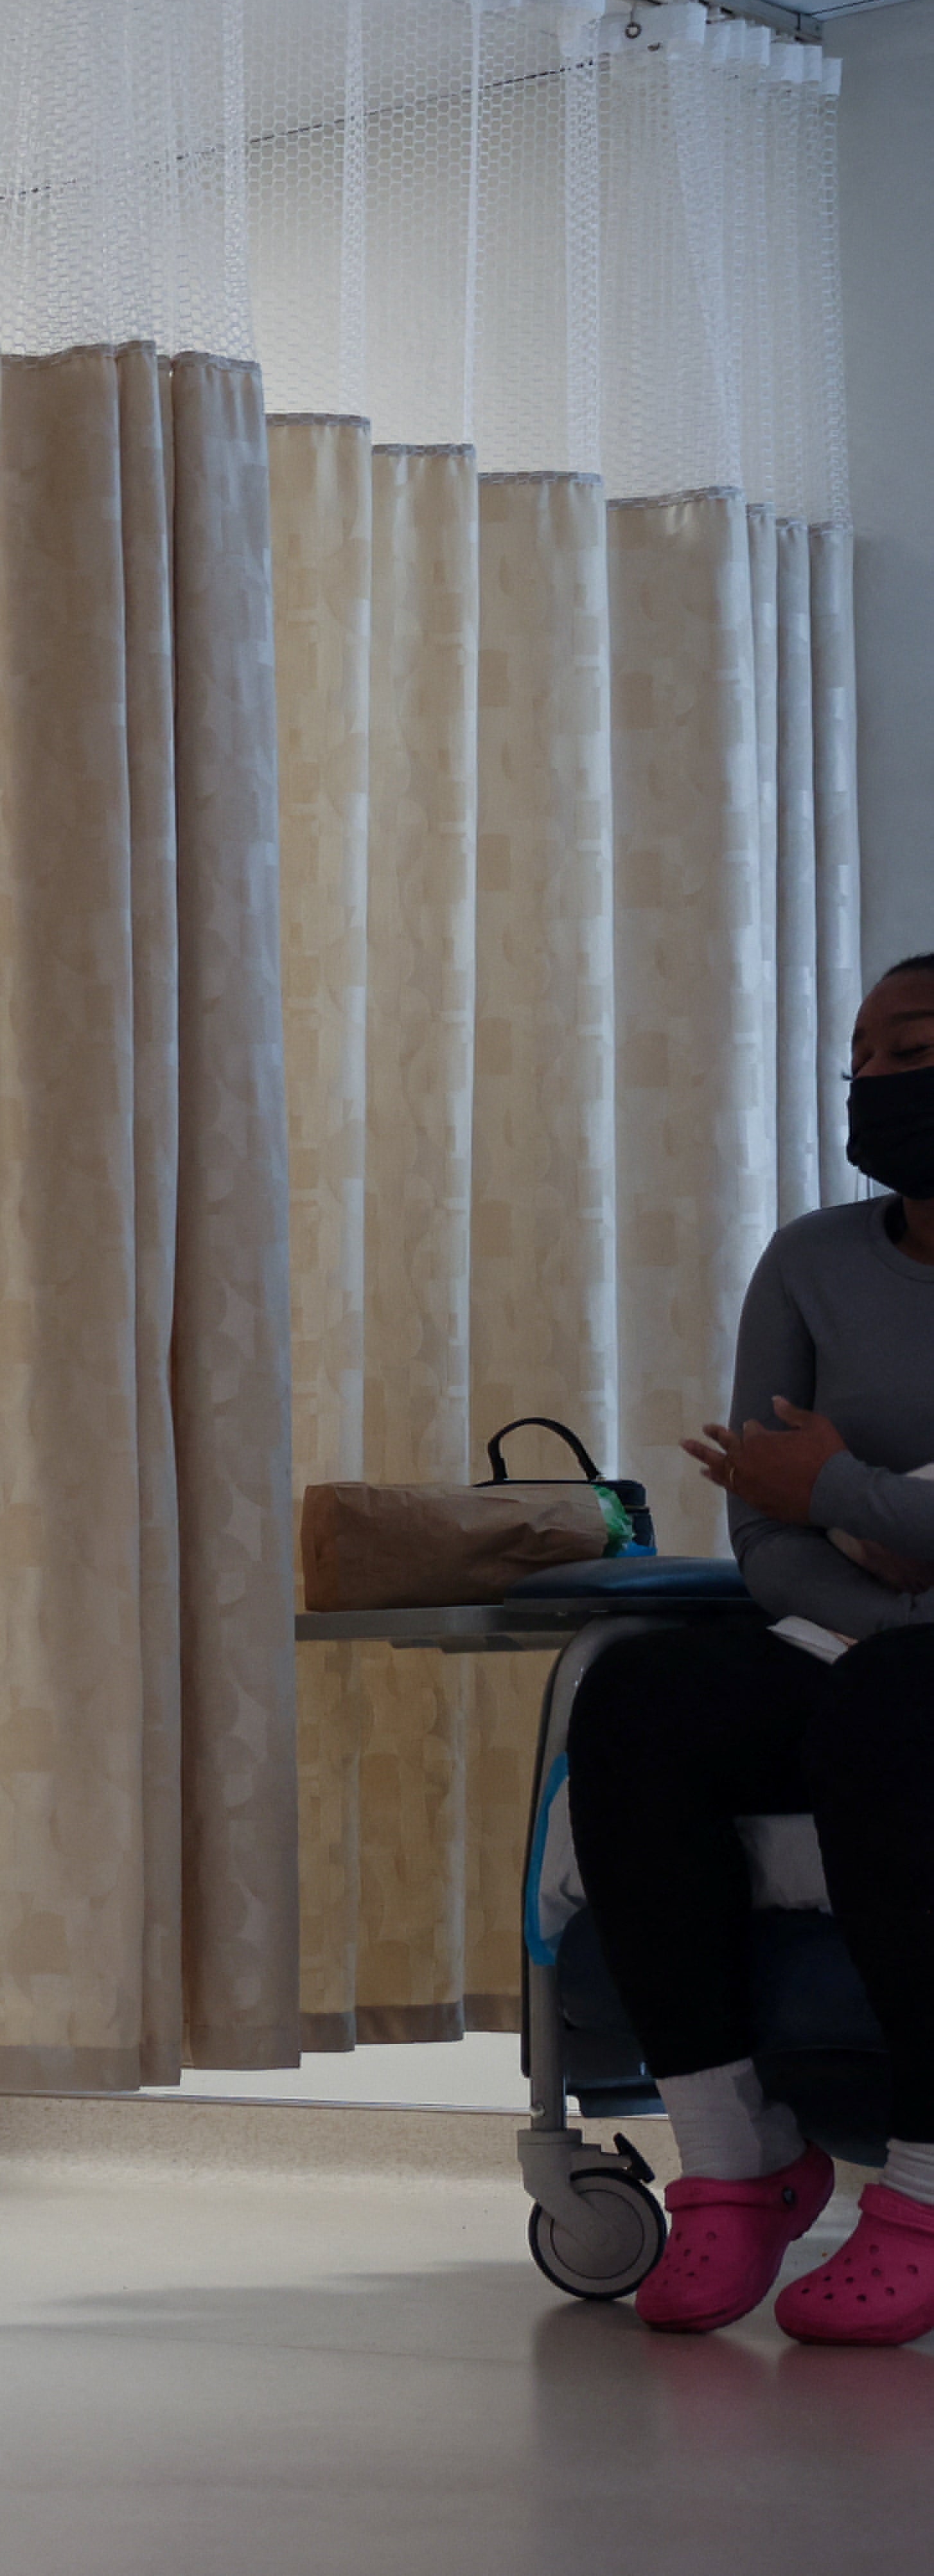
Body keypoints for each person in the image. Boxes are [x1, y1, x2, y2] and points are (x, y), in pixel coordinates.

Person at [566, 954, 934, 2344]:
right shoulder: (810, 1258)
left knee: (894, 1710)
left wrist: (840, 1496)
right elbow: (756, 1516)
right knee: (638, 1698)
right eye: (865, 1058)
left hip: (891, 1671)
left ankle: (919, 2183)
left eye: (915, 1048)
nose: (881, 1082)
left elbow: (807, 1494)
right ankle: (733, 2159)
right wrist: (878, 1557)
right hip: (853, 1636)